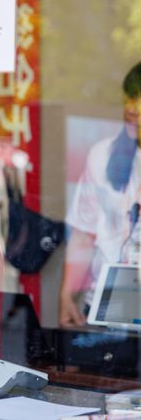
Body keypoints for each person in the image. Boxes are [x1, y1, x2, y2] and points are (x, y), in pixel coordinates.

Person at [59, 61, 141, 327]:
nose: (131, 108)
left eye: (139, 99)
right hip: (103, 310)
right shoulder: (102, 156)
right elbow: (84, 233)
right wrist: (67, 293)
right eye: (129, 97)